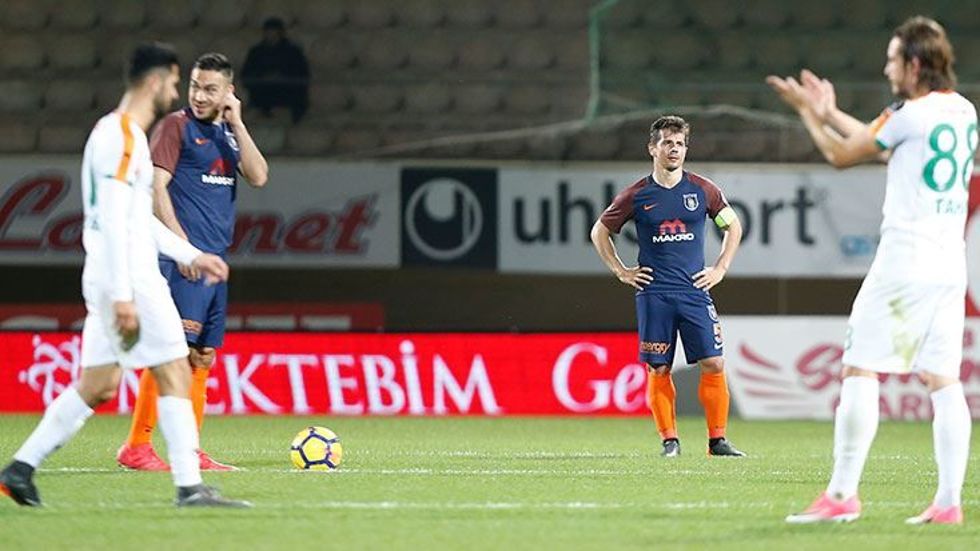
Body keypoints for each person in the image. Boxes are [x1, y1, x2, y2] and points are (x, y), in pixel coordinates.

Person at [0, 43, 249, 508]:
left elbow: (138, 219)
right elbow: (114, 220)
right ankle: (190, 486)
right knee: (175, 368)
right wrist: (122, 295)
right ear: (155, 82)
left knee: (98, 385)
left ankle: (19, 470)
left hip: (110, 274)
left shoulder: (116, 133)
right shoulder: (124, 138)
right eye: (173, 81)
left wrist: (191, 255)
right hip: (130, 278)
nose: (177, 91)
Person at [768, 16, 976, 525]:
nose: (887, 69)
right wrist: (831, 112)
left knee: (858, 366)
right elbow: (882, 141)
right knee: (943, 379)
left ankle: (842, 495)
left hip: (905, 261)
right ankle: (948, 502)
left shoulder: (909, 114)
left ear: (915, 64)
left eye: (892, 59)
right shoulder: (963, 110)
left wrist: (808, 114)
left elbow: (843, 154)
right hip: (950, 264)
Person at [116, 52, 269, 472]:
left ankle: (191, 450)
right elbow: (155, 188)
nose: (199, 96)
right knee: (175, 352)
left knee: (202, 356)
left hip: (214, 263)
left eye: (210, 89)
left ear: (228, 92)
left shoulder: (228, 134)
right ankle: (137, 445)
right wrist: (181, 246)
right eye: (195, 87)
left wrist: (238, 124)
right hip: (184, 261)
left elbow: (259, 176)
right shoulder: (175, 126)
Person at [591, 115, 746, 458]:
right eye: (667, 143)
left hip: (694, 292)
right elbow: (599, 231)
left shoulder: (703, 190)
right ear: (652, 148)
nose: (674, 149)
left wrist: (721, 268)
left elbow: (733, 226)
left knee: (714, 362)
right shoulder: (636, 195)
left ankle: (717, 441)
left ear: (685, 150)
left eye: (679, 144)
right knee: (658, 367)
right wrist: (620, 270)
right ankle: (670, 441)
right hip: (654, 294)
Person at [241, 17, 310, 122]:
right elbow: (246, 74)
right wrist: (264, 77)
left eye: (274, 33)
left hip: (287, 90)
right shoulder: (257, 52)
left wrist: (282, 76)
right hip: (263, 91)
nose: (271, 37)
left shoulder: (293, 52)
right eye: (269, 33)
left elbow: (302, 74)